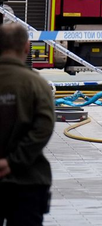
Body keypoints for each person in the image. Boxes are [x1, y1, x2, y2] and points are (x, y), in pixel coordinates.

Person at [0, 22, 55, 225]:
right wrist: (13, 162)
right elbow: (44, 127)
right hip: (28, 182)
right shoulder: (36, 84)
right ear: (26, 47)